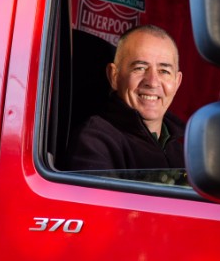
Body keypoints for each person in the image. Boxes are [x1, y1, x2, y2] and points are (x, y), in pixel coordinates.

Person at [66, 25, 185, 170]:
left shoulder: (187, 150)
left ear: (177, 82)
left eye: (164, 71)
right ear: (114, 77)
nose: (152, 82)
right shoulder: (95, 141)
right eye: (140, 68)